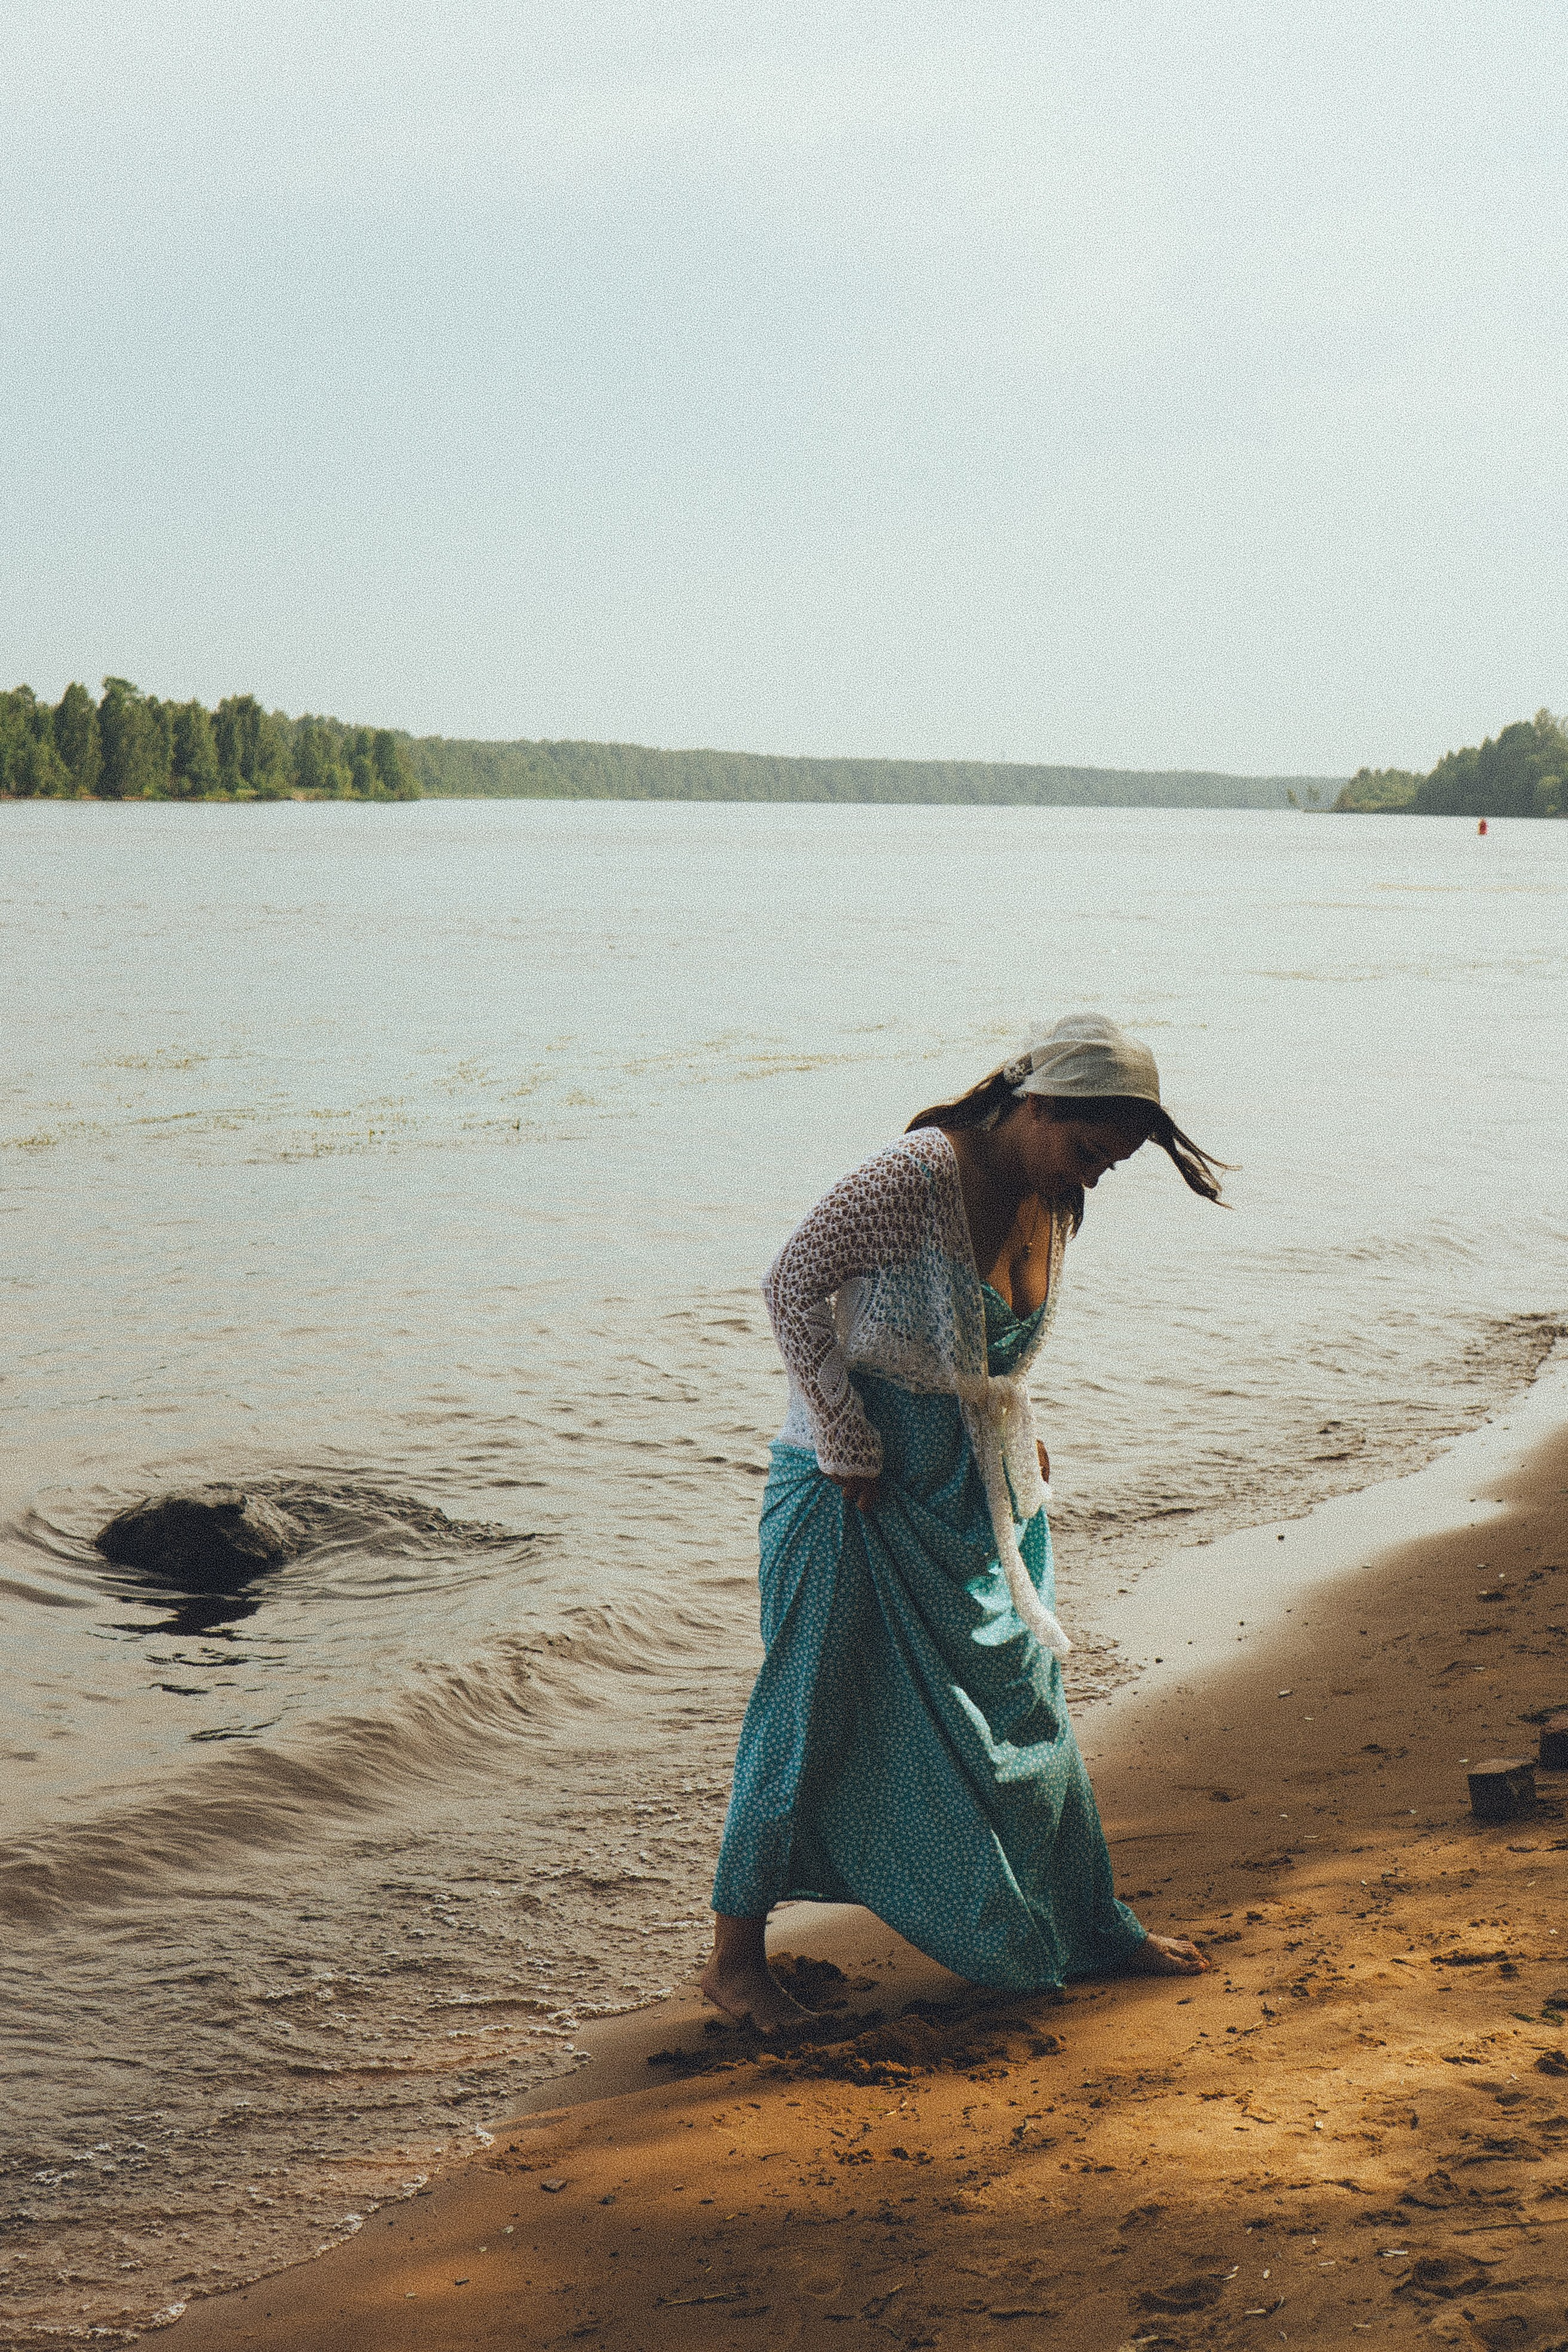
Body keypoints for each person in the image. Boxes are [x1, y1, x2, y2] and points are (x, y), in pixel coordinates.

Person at [700, 1012, 1224, 2034]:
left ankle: (1094, 1925)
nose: (1094, 1176)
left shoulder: (1055, 1193)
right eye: (1088, 1149)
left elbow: (977, 1350)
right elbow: (790, 1284)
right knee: (808, 1712)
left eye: (1113, 1165)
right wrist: (846, 1436)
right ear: (1035, 1104)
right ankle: (733, 1961)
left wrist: (1009, 1423)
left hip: (974, 1491)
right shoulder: (917, 1174)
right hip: (850, 1494)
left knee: (1031, 1700)